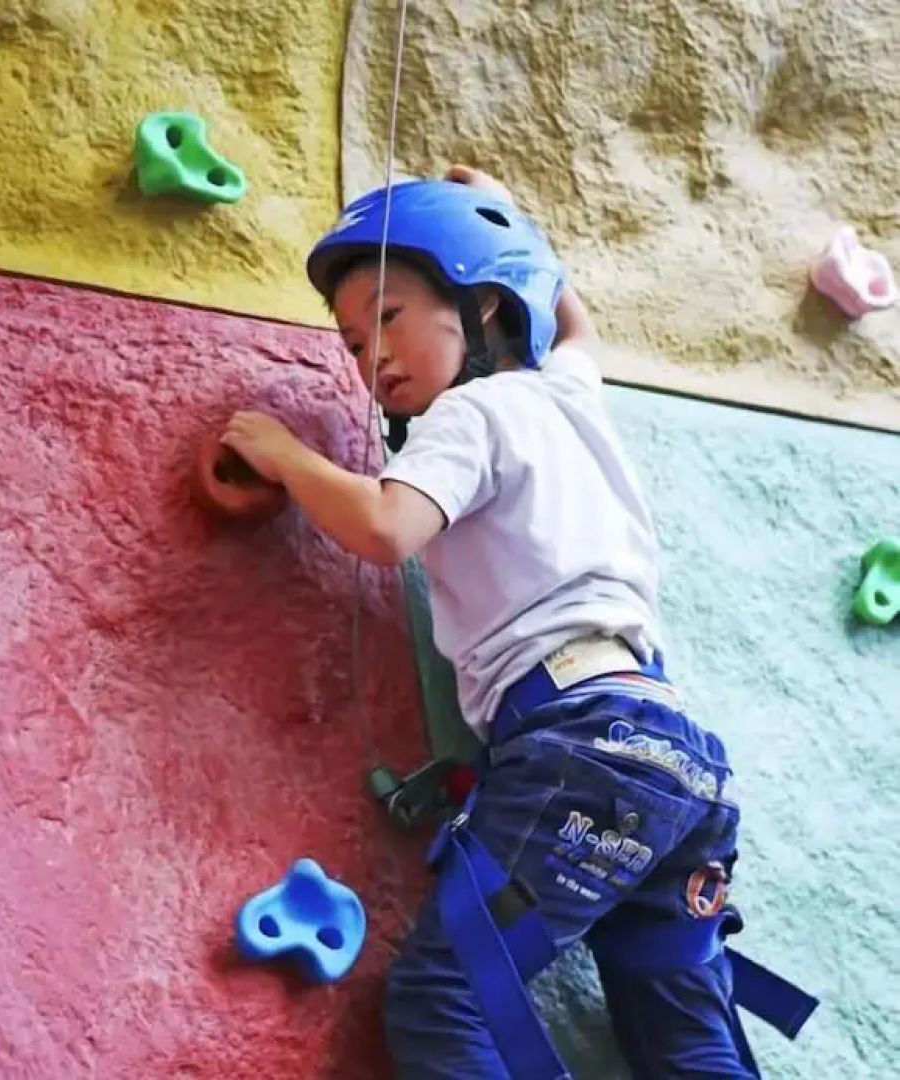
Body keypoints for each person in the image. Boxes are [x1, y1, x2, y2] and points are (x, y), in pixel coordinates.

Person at [216, 166, 815, 1078]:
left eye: (390, 315)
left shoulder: (472, 413)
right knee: (684, 1031)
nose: (369, 355)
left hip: (576, 744)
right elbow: (576, 326)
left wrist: (287, 455)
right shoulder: (569, 395)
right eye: (348, 340)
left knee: (446, 995)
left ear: (485, 304)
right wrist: (519, 224)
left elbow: (386, 526)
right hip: (678, 760)